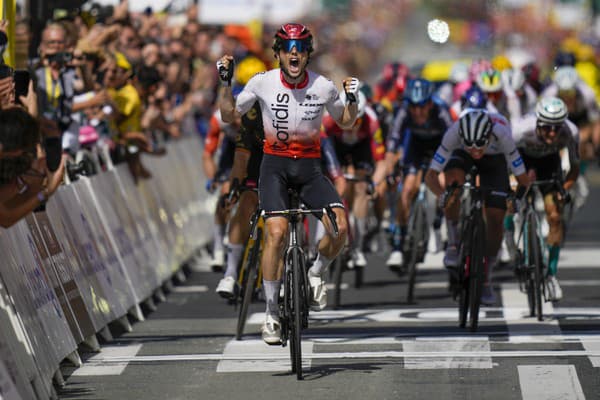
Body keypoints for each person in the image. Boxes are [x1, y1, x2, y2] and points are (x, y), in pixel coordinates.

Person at [217, 23, 356, 345]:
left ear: (308, 55)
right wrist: (226, 84)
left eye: (301, 49)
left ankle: (317, 271)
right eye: (288, 49)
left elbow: (346, 121)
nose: (294, 54)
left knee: (341, 228)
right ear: (278, 53)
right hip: (274, 167)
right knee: (276, 233)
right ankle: (270, 312)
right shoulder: (262, 82)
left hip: (309, 169)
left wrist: (353, 99)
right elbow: (228, 116)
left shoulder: (323, 86)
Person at [425, 109, 529, 305]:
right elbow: (430, 176)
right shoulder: (454, 133)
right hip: (460, 156)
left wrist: (517, 198)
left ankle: (487, 276)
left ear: (489, 135)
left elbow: (523, 180)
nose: (475, 149)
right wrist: (442, 196)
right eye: (469, 144)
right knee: (452, 185)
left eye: (479, 144)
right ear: (462, 136)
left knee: (496, 219)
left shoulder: (503, 134)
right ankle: (454, 243)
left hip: (495, 159)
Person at [511, 97, 579, 301]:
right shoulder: (520, 130)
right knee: (508, 201)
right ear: (538, 123)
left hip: (549, 165)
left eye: (556, 128)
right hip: (520, 162)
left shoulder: (570, 132)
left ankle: (551, 275)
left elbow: (574, 168)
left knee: (555, 216)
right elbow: (502, 161)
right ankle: (508, 235)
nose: (552, 133)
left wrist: (564, 189)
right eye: (547, 128)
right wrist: (513, 182)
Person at [385, 78, 453, 267]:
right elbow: (392, 144)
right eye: (413, 106)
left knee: (441, 183)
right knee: (406, 190)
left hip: (439, 148)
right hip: (415, 148)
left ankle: (439, 226)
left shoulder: (441, 110)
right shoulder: (403, 111)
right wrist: (391, 170)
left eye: (422, 106)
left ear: (430, 103)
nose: (418, 111)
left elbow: (454, 140)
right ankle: (399, 244)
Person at [322, 90, 387, 267]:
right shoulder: (329, 121)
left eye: (356, 121)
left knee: (361, 187)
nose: (351, 126)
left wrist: (373, 183)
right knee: (334, 184)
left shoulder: (371, 122)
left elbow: (381, 163)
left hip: (361, 149)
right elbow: (319, 150)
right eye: (348, 120)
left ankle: (357, 245)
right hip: (337, 147)